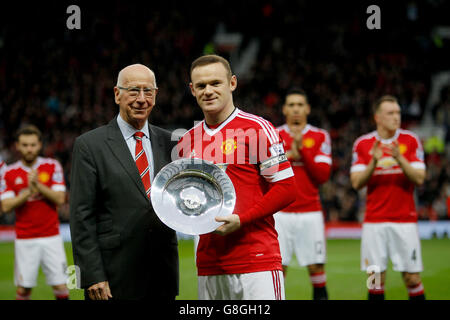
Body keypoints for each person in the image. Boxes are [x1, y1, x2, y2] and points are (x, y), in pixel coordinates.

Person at [178, 54, 296, 300]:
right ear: (192, 89)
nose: (208, 91)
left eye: (215, 83)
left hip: (257, 261)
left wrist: (242, 219)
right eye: (201, 86)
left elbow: (286, 188)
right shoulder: (186, 140)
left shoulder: (257, 129)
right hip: (209, 263)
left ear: (232, 83)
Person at [69, 64, 179, 300]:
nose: (141, 99)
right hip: (112, 276)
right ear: (117, 94)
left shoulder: (171, 142)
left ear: (156, 96)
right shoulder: (89, 145)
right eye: (133, 90)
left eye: (148, 91)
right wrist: (91, 274)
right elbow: (81, 215)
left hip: (162, 273)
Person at [350, 95, 426, 300]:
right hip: (374, 222)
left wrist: (399, 157)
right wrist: (373, 163)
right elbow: (356, 183)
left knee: (412, 278)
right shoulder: (363, 144)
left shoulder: (410, 140)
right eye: (391, 113)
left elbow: (419, 178)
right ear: (378, 117)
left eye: (398, 112)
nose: (396, 117)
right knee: (374, 278)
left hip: (405, 221)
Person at [274, 88, 332, 300]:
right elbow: (266, 173)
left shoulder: (319, 136)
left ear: (307, 109)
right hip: (280, 212)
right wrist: (289, 155)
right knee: (278, 267)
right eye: (291, 105)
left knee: (316, 267)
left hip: (310, 212)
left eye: (300, 105)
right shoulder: (274, 134)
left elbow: (322, 175)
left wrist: (303, 153)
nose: (295, 109)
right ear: (284, 109)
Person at [0, 125, 69, 300]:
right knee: (24, 289)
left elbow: (60, 199)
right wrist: (28, 192)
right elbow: (6, 206)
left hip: (52, 236)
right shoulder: (8, 172)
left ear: (39, 145)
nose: (29, 149)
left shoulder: (52, 166)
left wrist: (38, 186)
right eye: (25, 145)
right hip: (25, 239)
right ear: (17, 146)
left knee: (62, 286)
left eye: (32, 144)